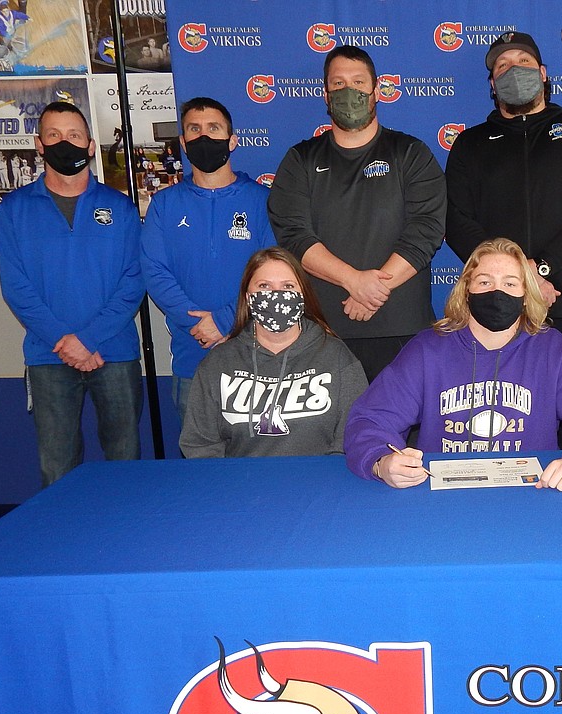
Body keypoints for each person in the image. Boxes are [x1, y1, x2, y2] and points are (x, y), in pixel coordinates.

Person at [344, 237, 562, 492]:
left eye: (510, 283)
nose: (497, 292)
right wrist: (381, 462)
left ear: (525, 294)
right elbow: (369, 420)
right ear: (466, 290)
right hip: (442, 496)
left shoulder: (553, 350)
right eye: (484, 282)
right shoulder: (427, 349)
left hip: (530, 494)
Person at [444, 31, 562, 378]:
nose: (514, 69)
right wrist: (514, 277)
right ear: (493, 85)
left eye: (523, 61)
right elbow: (455, 219)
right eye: (503, 66)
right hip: (494, 307)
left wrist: (542, 269)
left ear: (542, 72)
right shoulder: (470, 143)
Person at [268, 44, 446, 383]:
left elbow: (427, 229)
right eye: (338, 84)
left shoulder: (410, 153)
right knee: (330, 436)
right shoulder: (300, 160)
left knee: (403, 434)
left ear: (377, 91)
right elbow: (293, 235)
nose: (348, 91)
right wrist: (354, 281)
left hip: (402, 328)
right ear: (324, 94)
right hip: (324, 331)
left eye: (359, 82)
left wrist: (373, 289)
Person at [0, 100, 143, 486]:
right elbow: (15, 287)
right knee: (57, 468)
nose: (65, 143)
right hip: (48, 355)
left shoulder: (120, 208)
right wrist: (65, 340)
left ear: (91, 146)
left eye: (74, 135)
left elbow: (134, 281)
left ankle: (126, 539)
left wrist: (88, 339)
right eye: (54, 135)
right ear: (39, 145)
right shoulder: (14, 210)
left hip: (115, 352)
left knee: (125, 461)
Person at [141, 97, 276, 425]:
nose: (204, 137)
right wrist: (199, 324)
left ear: (232, 141)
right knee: (198, 466)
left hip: (257, 355)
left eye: (214, 129)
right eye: (194, 130)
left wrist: (227, 319)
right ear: (184, 144)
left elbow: (276, 274)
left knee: (260, 464)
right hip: (193, 358)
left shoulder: (264, 202)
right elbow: (154, 271)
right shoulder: (164, 205)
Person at [180, 247, 366, 458]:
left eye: (287, 286)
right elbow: (199, 444)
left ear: (302, 294)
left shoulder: (337, 357)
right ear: (248, 298)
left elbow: (353, 436)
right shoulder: (218, 363)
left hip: (318, 485)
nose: (277, 296)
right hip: (241, 486)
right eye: (264, 286)